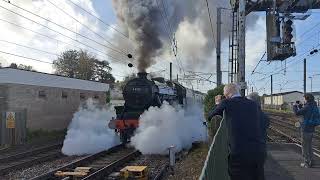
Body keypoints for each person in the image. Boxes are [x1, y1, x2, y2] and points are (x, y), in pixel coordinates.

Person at [207, 84, 266, 180]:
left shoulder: (226, 102)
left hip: (239, 153)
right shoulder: (253, 104)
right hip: (258, 150)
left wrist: (218, 103)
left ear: (227, 94)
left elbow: (211, 116)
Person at [293, 93, 319, 168]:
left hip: (305, 129)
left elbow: (297, 113)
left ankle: (306, 163)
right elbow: (305, 111)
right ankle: (311, 161)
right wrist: (300, 106)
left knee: (304, 146)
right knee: (310, 146)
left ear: (307, 98)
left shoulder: (307, 107)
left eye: (304, 98)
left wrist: (294, 106)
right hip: (311, 128)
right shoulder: (314, 106)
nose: (303, 99)